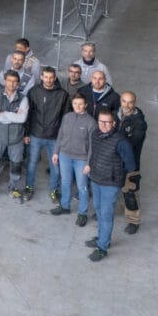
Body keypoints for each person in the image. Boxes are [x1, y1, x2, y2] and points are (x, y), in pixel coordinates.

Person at [84, 109, 136, 262]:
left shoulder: (121, 142)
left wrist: (116, 174)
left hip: (110, 184)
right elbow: (93, 154)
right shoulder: (95, 135)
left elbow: (131, 165)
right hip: (96, 179)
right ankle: (102, 238)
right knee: (99, 210)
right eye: (101, 121)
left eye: (107, 122)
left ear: (114, 123)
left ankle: (102, 248)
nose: (104, 125)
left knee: (106, 215)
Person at [0, 71, 29, 202]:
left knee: (16, 165)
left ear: (18, 84)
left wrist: (5, 113)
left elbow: (22, 118)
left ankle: (13, 188)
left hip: (16, 138)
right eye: (9, 80)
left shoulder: (23, 98)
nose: (11, 84)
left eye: (14, 81)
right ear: (5, 81)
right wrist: (14, 115)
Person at [50, 94, 95, 227]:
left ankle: (82, 213)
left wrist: (88, 163)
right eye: (75, 103)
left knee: (82, 187)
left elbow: (93, 145)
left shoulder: (90, 122)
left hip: (81, 159)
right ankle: (65, 206)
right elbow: (60, 135)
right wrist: (56, 152)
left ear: (86, 105)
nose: (78, 106)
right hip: (64, 155)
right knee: (65, 181)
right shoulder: (67, 117)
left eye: (81, 104)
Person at [24, 67, 68, 203]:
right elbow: (28, 114)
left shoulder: (62, 94)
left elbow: (65, 117)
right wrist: (26, 133)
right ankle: (29, 187)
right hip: (36, 134)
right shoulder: (34, 92)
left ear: (55, 78)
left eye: (51, 77)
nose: (48, 80)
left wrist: (62, 137)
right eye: (46, 77)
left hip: (54, 137)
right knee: (31, 163)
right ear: (41, 77)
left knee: (55, 165)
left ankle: (54, 190)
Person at [118, 92, 148, 235]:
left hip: (130, 165)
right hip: (113, 162)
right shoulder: (116, 115)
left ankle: (133, 221)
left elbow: (130, 144)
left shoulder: (139, 124)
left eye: (130, 102)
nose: (127, 105)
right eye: (124, 101)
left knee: (130, 193)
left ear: (135, 102)